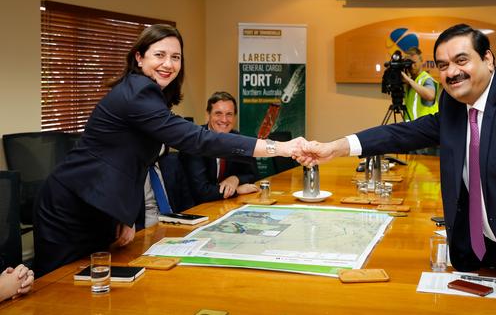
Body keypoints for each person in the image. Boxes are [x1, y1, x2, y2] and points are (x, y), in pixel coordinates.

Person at [299, 24, 496, 314]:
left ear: (488, 59)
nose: (451, 72)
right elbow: (404, 133)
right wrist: (336, 147)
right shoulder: (455, 103)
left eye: (461, 60)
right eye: (442, 65)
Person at [33, 24, 303, 277]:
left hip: (99, 205)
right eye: (159, 55)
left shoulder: (151, 96)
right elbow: (199, 140)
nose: (168, 64)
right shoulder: (139, 92)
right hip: (72, 206)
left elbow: (135, 163)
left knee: (91, 286)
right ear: (139, 58)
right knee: (57, 287)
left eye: (176, 57)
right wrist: (277, 147)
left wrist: (125, 216)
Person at [181, 91, 260, 204]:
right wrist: (237, 190)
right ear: (208, 115)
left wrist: (235, 179)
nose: (224, 120)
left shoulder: (237, 140)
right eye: (218, 113)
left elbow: (254, 175)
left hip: (224, 205)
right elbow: (201, 193)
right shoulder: (195, 141)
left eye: (229, 114)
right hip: (196, 210)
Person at [137, 147, 194, 230]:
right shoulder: (129, 170)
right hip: (146, 229)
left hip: (177, 225)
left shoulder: (172, 162)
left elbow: (187, 204)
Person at [401, 46, 440, 121]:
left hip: (426, 127)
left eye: (414, 63)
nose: (412, 66)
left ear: (421, 61)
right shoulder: (412, 82)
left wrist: (409, 81)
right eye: (409, 63)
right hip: (413, 127)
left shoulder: (426, 79)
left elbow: (430, 96)